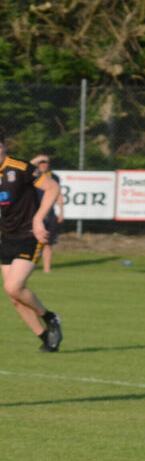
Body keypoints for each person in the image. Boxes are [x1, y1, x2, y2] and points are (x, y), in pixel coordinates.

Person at [0, 128, 63, 352]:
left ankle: (50, 316)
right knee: (15, 296)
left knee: (13, 286)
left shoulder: (20, 168)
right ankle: (46, 337)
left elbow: (52, 187)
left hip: (29, 235)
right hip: (6, 237)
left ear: (3, 146)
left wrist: (38, 219)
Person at [30, 154, 65, 273]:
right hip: (32, 212)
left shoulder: (53, 177)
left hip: (49, 212)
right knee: (28, 242)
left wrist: (61, 211)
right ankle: (27, 267)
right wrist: (37, 159)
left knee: (47, 242)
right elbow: (24, 167)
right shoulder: (31, 174)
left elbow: (58, 193)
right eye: (42, 162)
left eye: (46, 162)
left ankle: (47, 269)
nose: (44, 164)